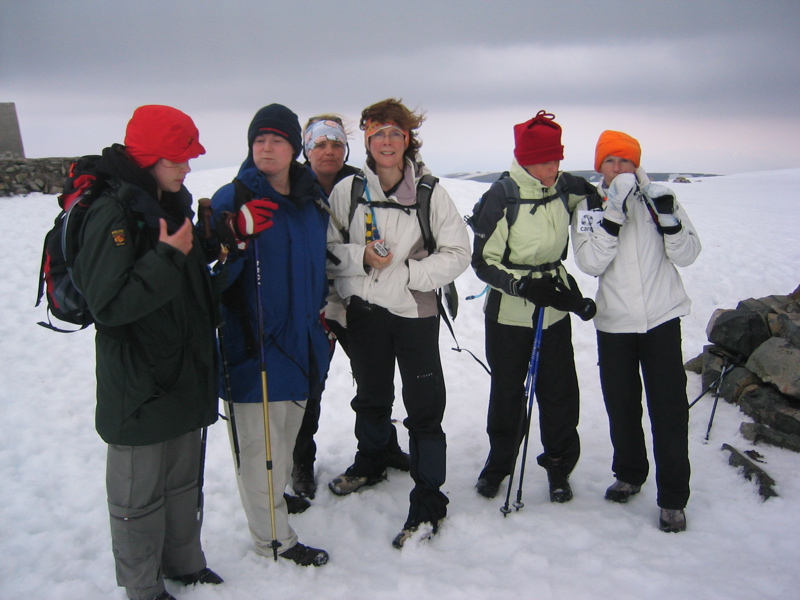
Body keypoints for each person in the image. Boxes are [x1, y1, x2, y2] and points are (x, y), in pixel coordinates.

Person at [72, 105, 222, 600]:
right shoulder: (111, 212)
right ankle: (142, 586)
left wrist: (210, 253)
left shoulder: (167, 201)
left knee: (181, 483)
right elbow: (110, 305)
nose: (188, 167)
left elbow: (190, 293)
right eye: (179, 157)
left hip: (179, 373)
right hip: (138, 383)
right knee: (137, 496)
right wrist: (170, 256)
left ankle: (184, 563)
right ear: (150, 157)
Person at [326, 98, 470, 548]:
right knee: (371, 395)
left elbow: (459, 254)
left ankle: (428, 501)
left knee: (425, 408)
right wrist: (361, 257)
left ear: (407, 139)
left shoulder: (431, 194)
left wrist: (408, 274)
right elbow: (329, 249)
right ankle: (371, 461)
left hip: (415, 315)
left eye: (396, 132)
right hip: (366, 313)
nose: (387, 140)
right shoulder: (347, 193)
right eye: (378, 132)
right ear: (366, 139)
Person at [209, 103, 330, 566]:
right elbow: (208, 275)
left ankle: (275, 502)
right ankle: (274, 539)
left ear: (294, 147)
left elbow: (320, 267)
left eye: (276, 139)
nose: (266, 147)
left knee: (283, 439)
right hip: (253, 349)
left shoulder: (308, 200)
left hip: (301, 345)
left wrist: (326, 320)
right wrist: (234, 238)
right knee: (260, 451)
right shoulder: (231, 198)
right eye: (258, 139)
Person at [571, 130, 701, 532]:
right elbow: (589, 262)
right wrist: (613, 218)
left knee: (670, 410)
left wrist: (670, 220)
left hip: (661, 318)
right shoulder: (590, 207)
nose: (619, 168)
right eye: (610, 161)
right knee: (622, 405)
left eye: (626, 161)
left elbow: (689, 253)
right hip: (615, 323)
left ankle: (673, 498)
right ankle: (629, 472)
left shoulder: (661, 198)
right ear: (600, 167)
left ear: (637, 164)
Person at [471, 110, 598, 505]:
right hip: (509, 315)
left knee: (559, 393)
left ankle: (559, 467)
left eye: (557, 158)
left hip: (555, 309)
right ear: (525, 159)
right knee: (508, 393)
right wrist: (520, 284)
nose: (553, 166)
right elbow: (483, 261)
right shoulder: (503, 195)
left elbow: (599, 197)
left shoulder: (565, 187)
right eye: (545, 159)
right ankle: (500, 464)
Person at [291, 115, 410, 499]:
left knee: (373, 376)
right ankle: (301, 461)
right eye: (320, 144)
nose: (329, 151)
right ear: (307, 149)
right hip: (310, 303)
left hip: (357, 298)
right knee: (310, 383)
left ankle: (382, 445)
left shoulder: (362, 184)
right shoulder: (293, 188)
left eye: (336, 144)